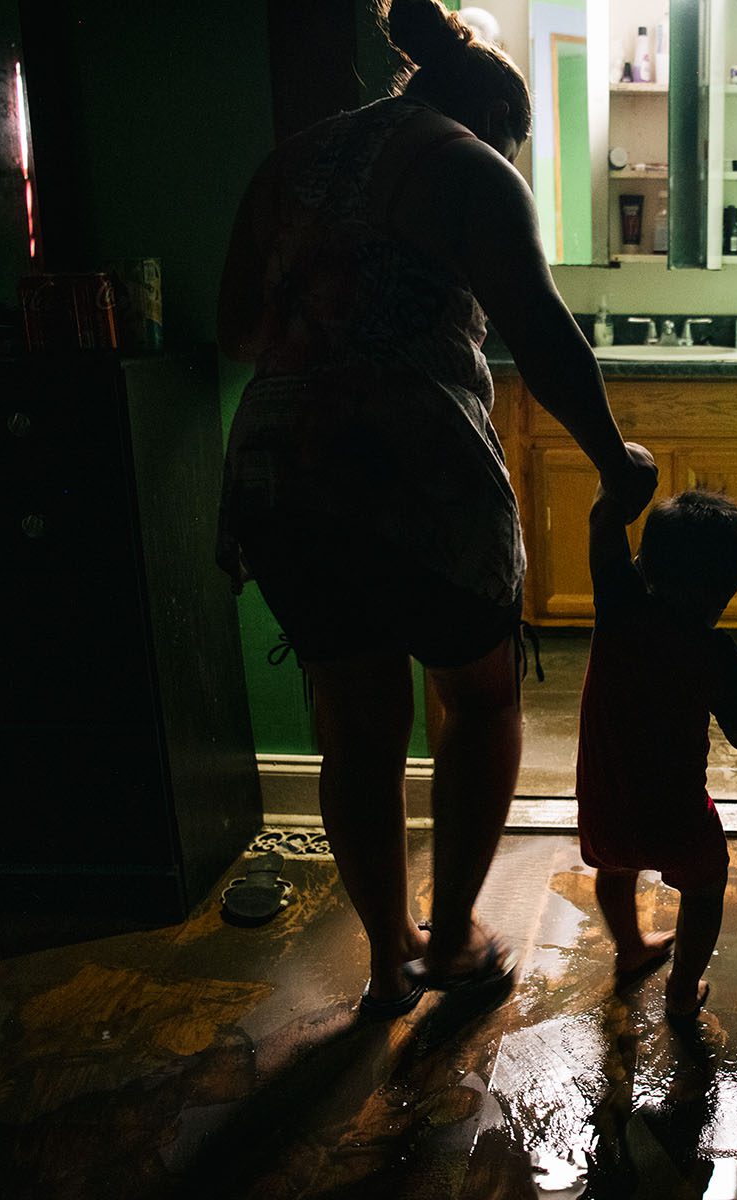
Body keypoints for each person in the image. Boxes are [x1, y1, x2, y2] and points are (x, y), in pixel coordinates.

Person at [214, 0, 658, 1018]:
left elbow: (238, 326)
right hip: (410, 467)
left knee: (356, 725)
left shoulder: (291, 164)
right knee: (480, 698)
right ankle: (453, 939)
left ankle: (383, 961)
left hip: (281, 476)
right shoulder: (467, 166)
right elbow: (542, 336)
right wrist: (613, 463)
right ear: (502, 121)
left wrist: (330, 313)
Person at [576, 484, 737, 1023]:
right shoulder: (716, 653)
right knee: (705, 888)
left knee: (616, 868)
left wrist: (621, 478)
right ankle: (680, 990)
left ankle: (630, 949)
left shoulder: (618, 605)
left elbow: (602, 525)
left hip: (603, 805)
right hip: (676, 817)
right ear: (726, 591)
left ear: (644, 564)